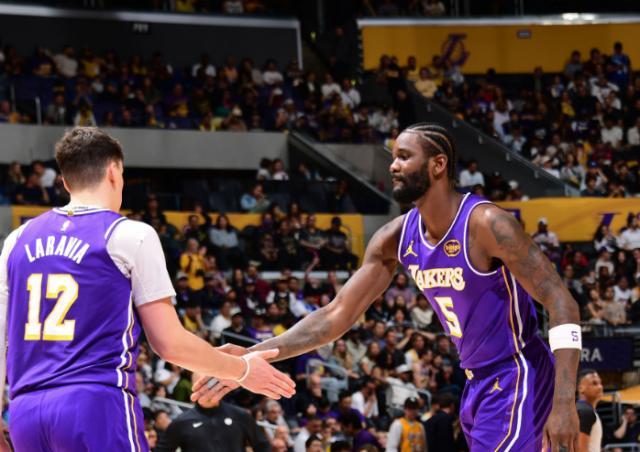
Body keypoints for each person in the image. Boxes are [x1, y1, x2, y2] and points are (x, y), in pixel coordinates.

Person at [193, 122, 581, 450]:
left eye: (404, 157)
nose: (393, 165)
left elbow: (562, 301)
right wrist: (252, 356)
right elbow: (335, 315)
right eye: (393, 156)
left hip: (517, 371)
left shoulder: (487, 224)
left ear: (438, 165)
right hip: (476, 381)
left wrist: (564, 401)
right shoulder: (395, 237)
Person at [0, 127, 295, 451]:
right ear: (114, 173)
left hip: (25, 413)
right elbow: (169, 344)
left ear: (66, 183)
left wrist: (210, 358)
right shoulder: (129, 234)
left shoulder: (16, 240)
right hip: (92, 404)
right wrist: (243, 370)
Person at [155, 374, 270, 452]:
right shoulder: (181, 423)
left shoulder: (240, 416)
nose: (207, 388)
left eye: (210, 383)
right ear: (193, 387)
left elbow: (262, 446)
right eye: (201, 384)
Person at [576, 369, 603, 452]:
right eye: (594, 383)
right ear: (581, 388)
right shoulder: (585, 411)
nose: (600, 387)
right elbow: (580, 450)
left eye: (600, 383)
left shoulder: (583, 409)